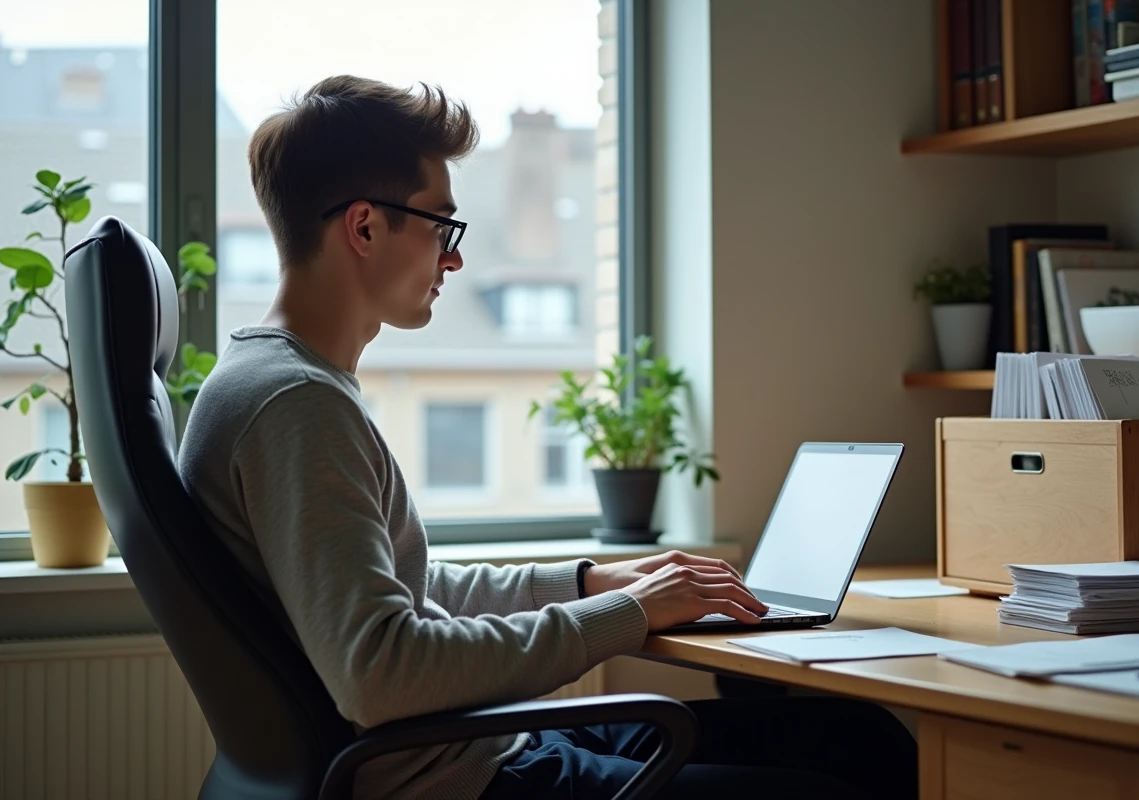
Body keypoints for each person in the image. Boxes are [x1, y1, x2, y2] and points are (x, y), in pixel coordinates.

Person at [177, 75, 917, 799]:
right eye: (442, 225)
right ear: (366, 226)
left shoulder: (281, 384)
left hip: (483, 746)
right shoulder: (297, 405)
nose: (455, 258)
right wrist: (629, 615)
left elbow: (400, 594)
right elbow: (382, 671)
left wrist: (593, 583)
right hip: (469, 778)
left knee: (853, 736)